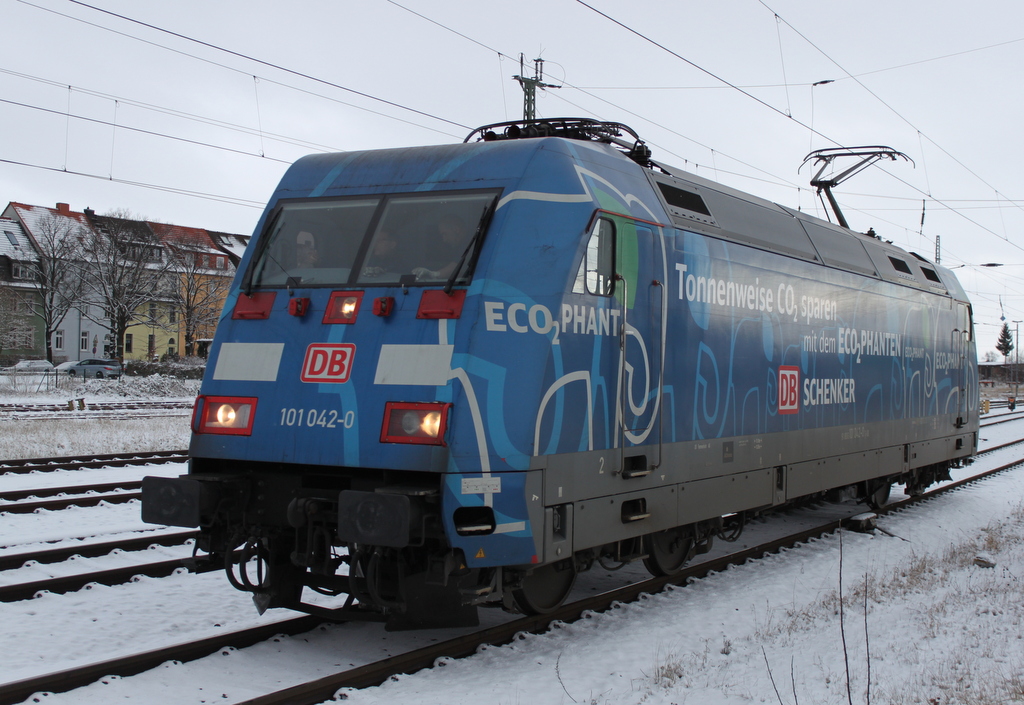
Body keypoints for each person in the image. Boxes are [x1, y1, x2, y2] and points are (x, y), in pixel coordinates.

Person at [413, 215, 470, 280]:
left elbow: (456, 267)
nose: (444, 240)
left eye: (444, 234)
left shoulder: (471, 244)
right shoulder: (457, 246)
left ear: (456, 229)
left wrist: (433, 274)